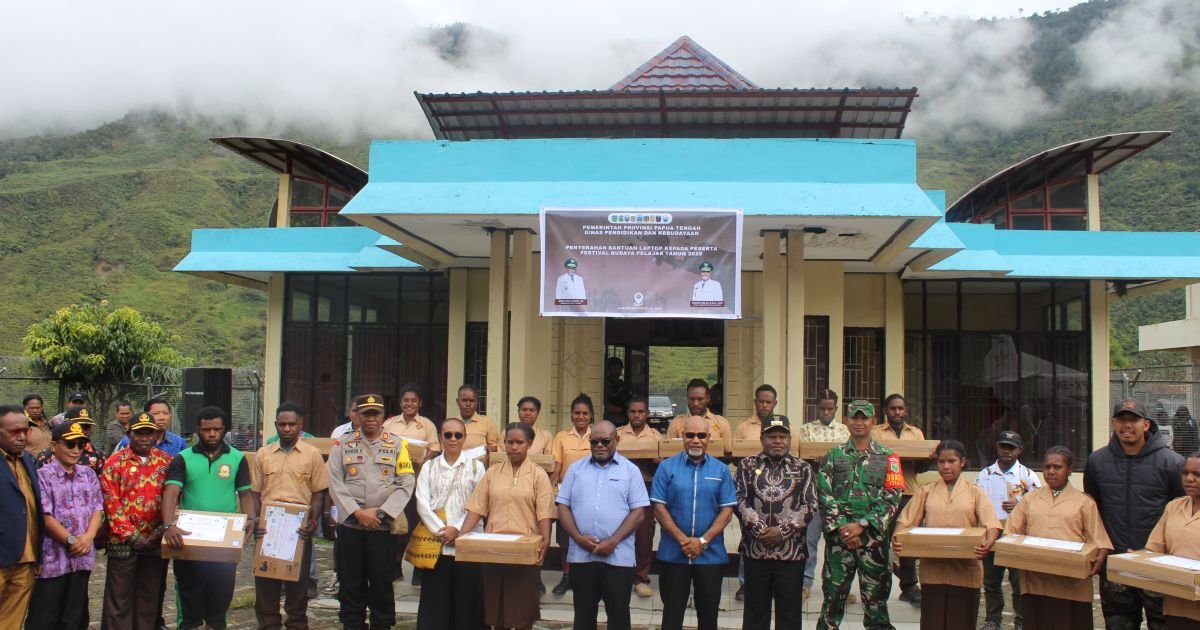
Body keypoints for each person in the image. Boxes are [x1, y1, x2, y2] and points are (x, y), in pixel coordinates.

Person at [1085, 398, 1184, 629]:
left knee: (1162, 623)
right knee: (1118, 623)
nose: (1127, 425)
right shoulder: (1097, 462)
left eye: (1134, 420)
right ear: (1113, 422)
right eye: (1121, 419)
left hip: (1158, 565)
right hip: (1116, 562)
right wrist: (1101, 546)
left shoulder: (1172, 463)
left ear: (1146, 424)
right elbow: (1093, 510)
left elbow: (1181, 514)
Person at [326, 394, 416, 630]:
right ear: (357, 415)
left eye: (375, 413)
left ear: (383, 415)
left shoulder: (397, 445)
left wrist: (382, 514)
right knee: (350, 585)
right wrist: (357, 513)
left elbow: (405, 483)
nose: (371, 419)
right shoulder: (342, 445)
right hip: (351, 528)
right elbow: (335, 483)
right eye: (365, 413)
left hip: (382, 529)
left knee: (381, 585)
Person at [161, 406, 255, 630]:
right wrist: (168, 524)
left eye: (216, 429)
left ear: (225, 430)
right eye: (206, 430)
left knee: (219, 606)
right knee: (189, 607)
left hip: (223, 544)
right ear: (197, 430)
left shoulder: (237, 459)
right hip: (189, 542)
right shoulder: (182, 459)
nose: (212, 434)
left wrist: (250, 518)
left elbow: (245, 493)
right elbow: (171, 493)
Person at [893, 440, 1002, 630]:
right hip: (933, 570)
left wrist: (988, 543)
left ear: (962, 462)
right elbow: (906, 520)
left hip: (965, 570)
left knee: (961, 622)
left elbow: (992, 524)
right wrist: (897, 536)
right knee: (932, 622)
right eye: (941, 462)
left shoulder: (976, 492)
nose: (946, 466)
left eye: (951, 461)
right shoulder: (926, 491)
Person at [459, 423, 555, 630]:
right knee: (497, 608)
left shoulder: (538, 475)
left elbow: (545, 512)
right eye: (510, 442)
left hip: (525, 549)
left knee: (522, 610)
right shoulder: (492, 473)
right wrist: (462, 536)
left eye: (519, 442)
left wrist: (546, 540)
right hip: (494, 549)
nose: (514, 447)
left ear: (529, 444)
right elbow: (477, 507)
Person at [817, 399, 903, 630]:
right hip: (839, 542)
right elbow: (824, 496)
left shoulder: (889, 458)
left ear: (874, 422)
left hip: (873, 543)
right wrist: (846, 529)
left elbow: (893, 497)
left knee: (877, 608)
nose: (859, 422)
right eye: (854, 417)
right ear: (846, 421)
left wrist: (863, 525)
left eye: (864, 417)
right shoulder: (832, 457)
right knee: (831, 604)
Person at [1005, 446, 1111, 630]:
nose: (1051, 471)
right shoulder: (1029, 499)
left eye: (1057, 467)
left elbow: (1098, 540)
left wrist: (1098, 557)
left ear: (1069, 469)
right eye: (1047, 467)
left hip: (1071, 581)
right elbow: (1011, 533)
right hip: (1036, 579)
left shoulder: (1084, 502)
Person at [557, 420, 648, 630]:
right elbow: (563, 506)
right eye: (594, 441)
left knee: (618, 617)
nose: (599, 445)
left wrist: (613, 542)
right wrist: (579, 539)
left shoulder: (630, 471)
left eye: (605, 441)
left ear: (617, 440)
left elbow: (639, 512)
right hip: (582, 557)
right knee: (583, 615)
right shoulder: (575, 470)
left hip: (617, 558)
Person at [651, 415, 736, 630]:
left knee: (708, 618)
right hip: (673, 555)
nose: (695, 440)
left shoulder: (721, 470)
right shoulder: (666, 468)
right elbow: (659, 508)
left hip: (710, 556)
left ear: (709, 438)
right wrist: (683, 541)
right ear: (682, 437)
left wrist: (702, 541)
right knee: (671, 617)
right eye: (690, 435)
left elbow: (727, 511)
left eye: (701, 435)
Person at [250, 402, 329, 630]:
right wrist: (255, 520)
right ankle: (268, 625)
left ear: (300, 426)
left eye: (291, 424)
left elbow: (318, 493)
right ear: (275, 425)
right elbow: (255, 493)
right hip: (268, 530)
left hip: (298, 531)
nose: (286, 429)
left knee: (298, 589)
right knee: (266, 588)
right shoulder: (263, 454)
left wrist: (313, 521)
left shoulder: (312, 455)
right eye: (282, 424)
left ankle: (296, 625)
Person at [735, 415, 816, 630]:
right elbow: (740, 500)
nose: (778, 441)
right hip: (756, 551)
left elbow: (810, 505)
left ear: (790, 438)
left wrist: (783, 531)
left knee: (789, 615)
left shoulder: (803, 468)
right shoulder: (747, 466)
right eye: (772, 437)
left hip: (791, 554)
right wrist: (761, 530)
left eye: (782, 436)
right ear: (762, 438)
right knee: (755, 613)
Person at [26, 421, 105, 629]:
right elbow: (44, 515)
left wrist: (88, 538)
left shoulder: (88, 474)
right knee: (45, 616)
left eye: (81, 444)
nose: (76, 450)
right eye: (70, 444)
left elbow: (98, 507)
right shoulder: (42, 476)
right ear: (54, 446)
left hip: (82, 557)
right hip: (53, 560)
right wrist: (70, 540)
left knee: (75, 616)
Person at [100, 412, 172, 630]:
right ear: (129, 433)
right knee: (119, 598)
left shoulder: (166, 462)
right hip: (122, 542)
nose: (144, 438)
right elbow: (111, 503)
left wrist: (157, 533)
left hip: (155, 540)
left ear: (155, 434)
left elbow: (174, 499)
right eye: (139, 433)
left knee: (149, 597)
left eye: (148, 433)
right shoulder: (114, 463)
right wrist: (132, 536)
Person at [414, 418, 487, 630]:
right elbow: (422, 502)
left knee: (468, 601)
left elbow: (479, 502)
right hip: (436, 542)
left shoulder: (477, 468)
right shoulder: (429, 467)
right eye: (448, 435)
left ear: (464, 438)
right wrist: (442, 530)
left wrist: (458, 529)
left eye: (458, 435)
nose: (453, 439)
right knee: (436, 601)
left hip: (468, 541)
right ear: (440, 438)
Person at [731, 383, 791, 601]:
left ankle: (778, 584)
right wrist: (755, 524)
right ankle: (745, 583)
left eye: (769, 401)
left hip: (784, 502)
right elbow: (735, 455)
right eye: (761, 401)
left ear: (775, 403)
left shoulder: (785, 426)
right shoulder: (744, 427)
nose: (764, 404)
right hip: (752, 495)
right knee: (748, 540)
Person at [976, 430, 1042, 630]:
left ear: (1019, 450)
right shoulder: (985, 474)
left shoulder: (1028, 476)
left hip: (1016, 537)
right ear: (996, 447)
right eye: (1003, 446)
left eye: (1011, 448)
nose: (1007, 451)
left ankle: (1021, 621)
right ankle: (993, 620)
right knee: (991, 582)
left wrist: (1021, 502)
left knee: (1018, 582)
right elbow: (976, 501)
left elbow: (1041, 502)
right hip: (992, 534)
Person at [871, 392, 927, 606]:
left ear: (905, 410)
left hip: (908, 494)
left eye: (900, 408)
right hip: (882, 494)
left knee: (907, 542)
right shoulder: (875, 433)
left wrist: (927, 459)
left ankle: (909, 587)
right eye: (893, 408)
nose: (897, 412)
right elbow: (872, 462)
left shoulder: (916, 434)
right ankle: (877, 586)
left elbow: (920, 468)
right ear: (885, 411)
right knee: (879, 542)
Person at [381, 384, 440, 585]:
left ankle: (418, 569)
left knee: (416, 524)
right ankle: (394, 566)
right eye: (406, 400)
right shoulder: (389, 424)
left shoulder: (426, 425)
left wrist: (423, 457)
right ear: (401, 403)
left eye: (413, 400)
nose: (409, 404)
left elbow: (435, 448)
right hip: (394, 482)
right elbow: (382, 445)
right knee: (396, 524)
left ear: (419, 403)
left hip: (417, 480)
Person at [797, 388, 851, 600]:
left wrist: (829, 459)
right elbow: (802, 458)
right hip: (813, 494)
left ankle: (837, 586)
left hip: (839, 495)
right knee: (810, 539)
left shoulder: (845, 432)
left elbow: (848, 459)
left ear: (836, 408)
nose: (826, 412)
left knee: (838, 541)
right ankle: (804, 583)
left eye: (830, 409)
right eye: (822, 409)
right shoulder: (806, 430)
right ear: (816, 408)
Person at [1144, 450, 1200, 629]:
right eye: (1185, 473)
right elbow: (1155, 546)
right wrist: (1138, 558)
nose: (1189, 479)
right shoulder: (1174, 507)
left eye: (1197, 474)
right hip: (1177, 600)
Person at [0, 404, 43, 627]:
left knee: (12, 620)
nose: (22, 437)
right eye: (14, 432)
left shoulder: (27, 460)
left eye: (25, 431)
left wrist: (38, 554)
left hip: (25, 560)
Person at [549, 392, 596, 595]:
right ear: (571, 415)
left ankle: (587, 578)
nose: (581, 417)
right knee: (566, 538)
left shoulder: (597, 436)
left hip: (592, 493)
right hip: (567, 495)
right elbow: (557, 466)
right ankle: (566, 576)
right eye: (577, 413)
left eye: (585, 413)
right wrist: (550, 487)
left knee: (590, 534)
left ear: (591, 415)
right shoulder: (561, 437)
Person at [616, 396, 661, 599]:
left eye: (641, 412)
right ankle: (621, 575)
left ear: (647, 414)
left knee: (644, 534)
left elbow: (662, 463)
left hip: (646, 488)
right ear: (628, 413)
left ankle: (641, 577)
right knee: (619, 531)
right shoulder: (617, 434)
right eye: (633, 412)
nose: (637, 415)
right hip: (619, 489)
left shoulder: (655, 436)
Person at [666, 379, 733, 456]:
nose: (695, 403)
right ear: (687, 398)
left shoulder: (722, 423)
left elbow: (728, 454)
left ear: (708, 398)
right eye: (692, 399)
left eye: (700, 399)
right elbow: (668, 454)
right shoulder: (676, 423)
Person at [36, 406, 104, 474]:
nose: (83, 431)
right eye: (78, 426)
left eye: (87, 427)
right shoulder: (47, 455)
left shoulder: (98, 455)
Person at [113, 399, 189, 457]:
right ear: (146, 416)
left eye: (165, 413)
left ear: (170, 416)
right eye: (156, 413)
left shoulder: (179, 443)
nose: (161, 417)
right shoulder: (127, 441)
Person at [455, 384, 499, 452]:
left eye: (472, 400)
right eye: (464, 400)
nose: (468, 404)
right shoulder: (451, 423)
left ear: (477, 402)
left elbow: (494, 447)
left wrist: (481, 451)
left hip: (480, 461)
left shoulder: (487, 422)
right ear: (457, 401)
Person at [603, 357, 630, 426]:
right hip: (611, 420)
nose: (617, 370)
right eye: (614, 368)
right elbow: (606, 404)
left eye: (619, 368)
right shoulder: (606, 384)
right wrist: (621, 410)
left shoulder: (621, 384)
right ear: (609, 369)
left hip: (623, 419)